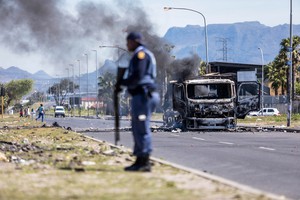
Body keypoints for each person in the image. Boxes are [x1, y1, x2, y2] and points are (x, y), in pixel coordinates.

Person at [117, 31, 160, 172]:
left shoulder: (141, 55)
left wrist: (123, 82)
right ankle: (139, 159)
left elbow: (138, 76)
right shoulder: (140, 54)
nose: (126, 44)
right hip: (140, 96)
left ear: (135, 41)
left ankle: (145, 161)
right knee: (137, 128)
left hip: (144, 96)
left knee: (142, 127)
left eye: (128, 41)